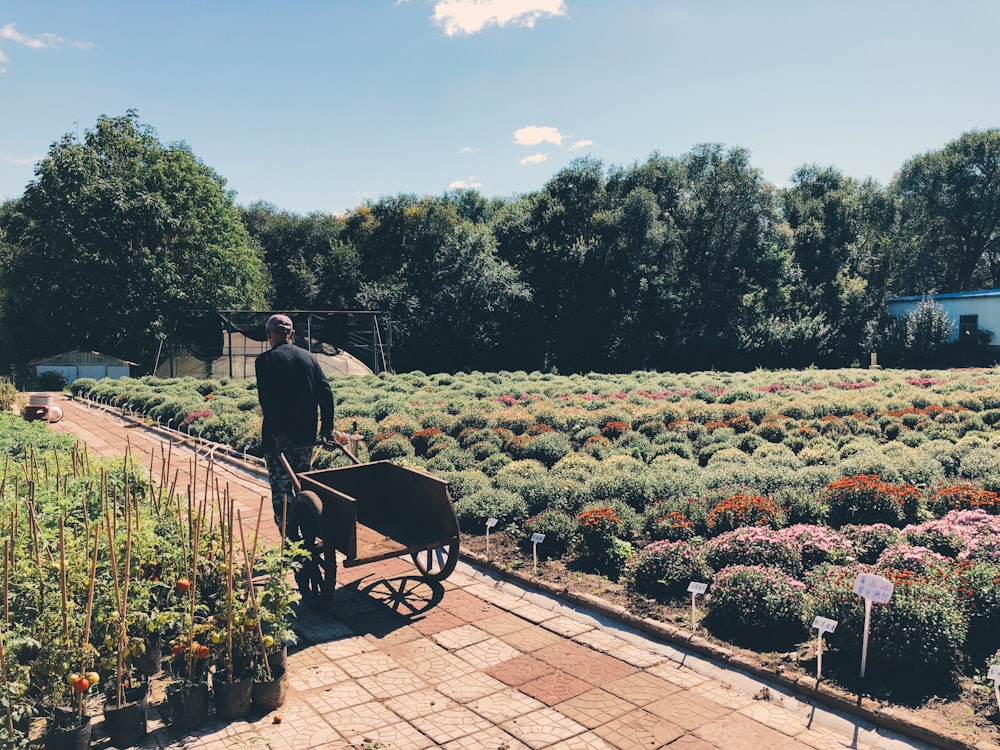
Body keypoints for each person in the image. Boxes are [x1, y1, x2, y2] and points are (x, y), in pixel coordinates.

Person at [255, 313, 335, 531]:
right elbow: (326, 394)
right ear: (291, 334)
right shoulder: (309, 358)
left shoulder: (264, 361)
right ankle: (308, 530)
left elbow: (268, 401)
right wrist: (327, 429)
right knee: (303, 484)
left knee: (282, 492)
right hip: (306, 439)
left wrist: (279, 434)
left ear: (269, 335)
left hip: (279, 441)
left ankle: (289, 542)